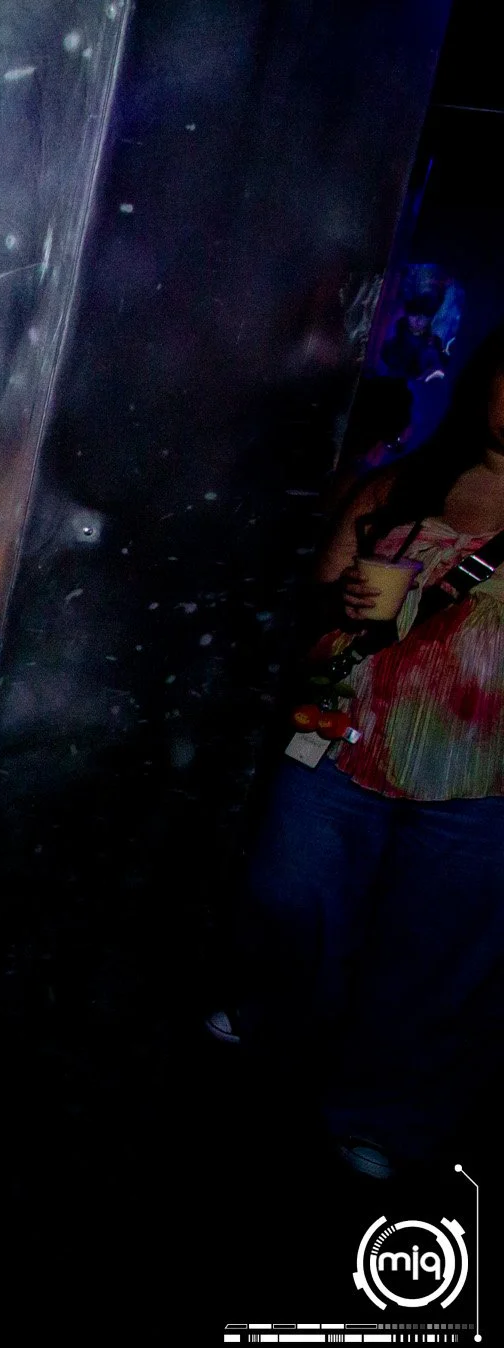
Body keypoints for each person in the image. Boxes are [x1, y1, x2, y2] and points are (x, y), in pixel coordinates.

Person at [239, 328, 503, 1177]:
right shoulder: (403, 483)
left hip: (481, 776)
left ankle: (380, 1116)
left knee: (434, 955)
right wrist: (341, 603)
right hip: (341, 735)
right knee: (287, 894)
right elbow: (307, 602)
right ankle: (277, 1029)